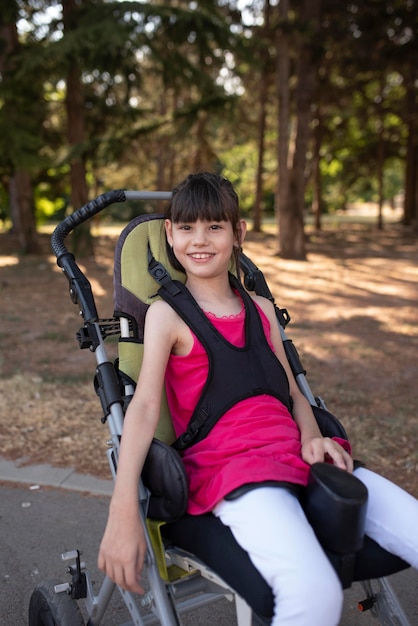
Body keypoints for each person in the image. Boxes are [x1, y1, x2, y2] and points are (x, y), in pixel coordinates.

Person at [98, 171, 418, 625]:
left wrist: (312, 435)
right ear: (169, 234)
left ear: (238, 232)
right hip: (233, 468)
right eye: (186, 228)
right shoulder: (166, 316)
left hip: (295, 455)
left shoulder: (262, 310)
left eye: (214, 227)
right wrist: (123, 507)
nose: (199, 240)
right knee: (315, 593)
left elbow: (292, 394)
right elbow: (146, 408)